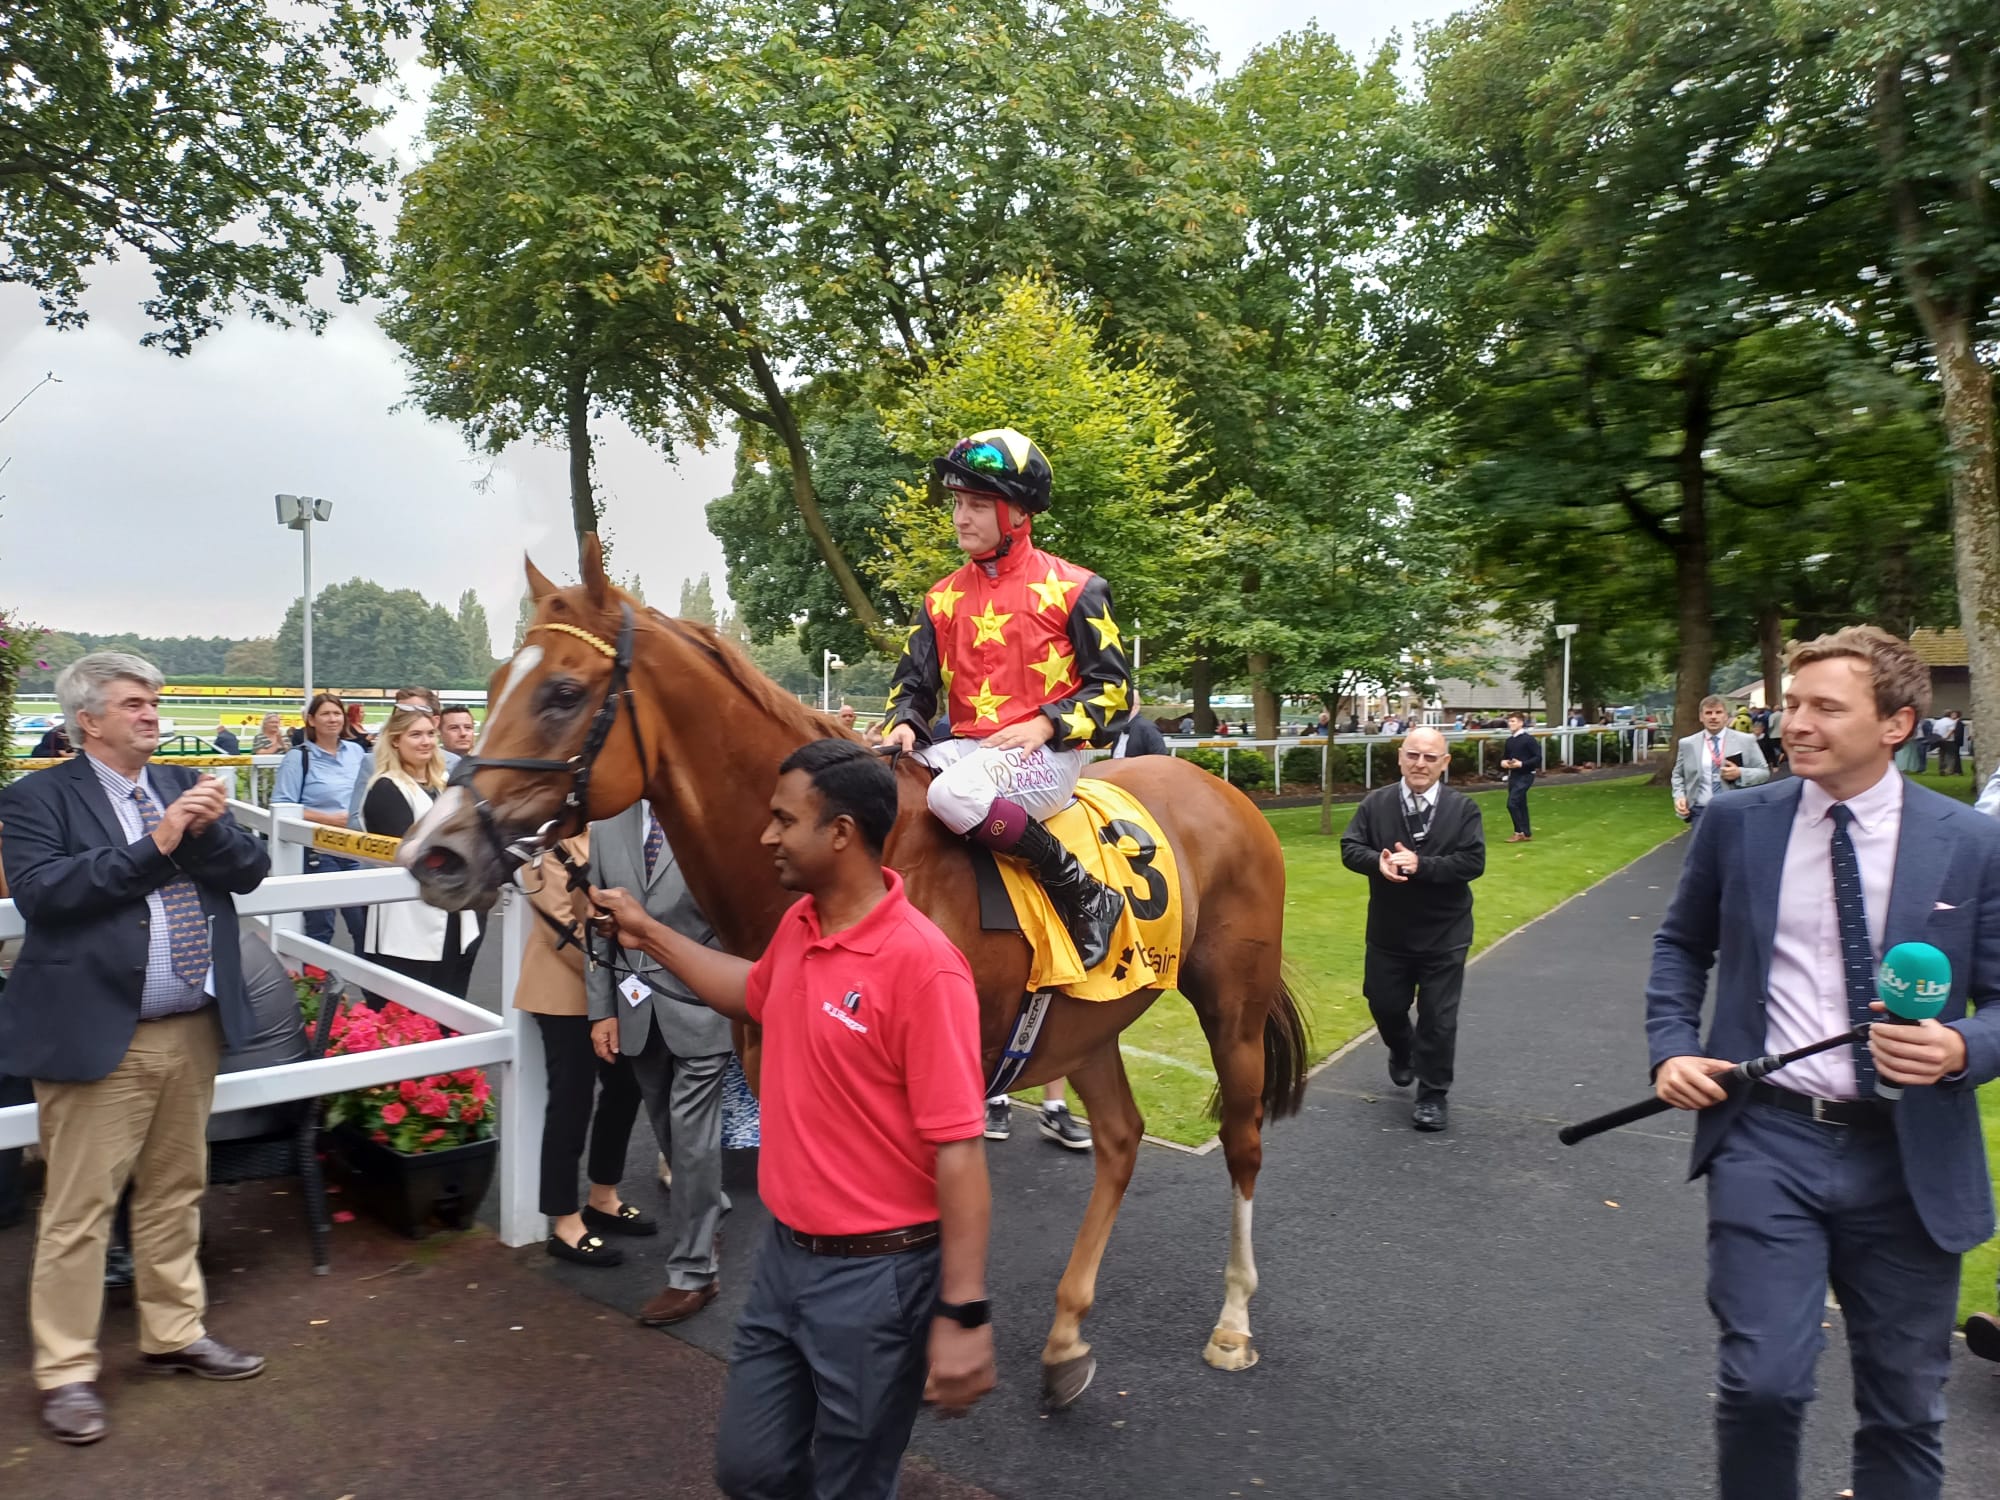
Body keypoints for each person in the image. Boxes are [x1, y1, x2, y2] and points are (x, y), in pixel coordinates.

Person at [1647, 625, 2000, 1500]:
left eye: (1823, 708)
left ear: (1896, 724)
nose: (1795, 724)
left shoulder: (1970, 841)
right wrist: (1674, 1048)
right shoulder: (1738, 825)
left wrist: (1961, 1046)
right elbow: (1679, 947)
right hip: (1768, 1141)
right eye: (1792, 705)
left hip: (1911, 1158)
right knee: (1762, 1384)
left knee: (1906, 1408)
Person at [590, 740, 995, 1498]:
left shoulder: (924, 967)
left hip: (881, 1280)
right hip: (785, 1259)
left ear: (840, 833)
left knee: (848, 1482)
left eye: (784, 820)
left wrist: (964, 1311)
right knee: (751, 1468)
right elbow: (756, 992)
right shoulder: (803, 923)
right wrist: (646, 932)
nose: (766, 836)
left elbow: (962, 1151)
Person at [0, 652, 271, 1446]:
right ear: (89, 720)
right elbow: (50, 894)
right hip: (96, 1032)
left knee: (176, 1189)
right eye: (133, 704)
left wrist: (204, 828)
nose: (153, 715)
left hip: (189, 1025)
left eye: (155, 703)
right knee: (79, 1210)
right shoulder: (36, 796)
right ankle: (66, 1371)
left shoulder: (183, 783)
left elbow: (250, 873)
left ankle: (174, 1332)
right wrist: (161, 839)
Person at [883, 428, 1133, 969]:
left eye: (977, 504)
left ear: (1018, 514)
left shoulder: (1077, 588)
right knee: (875, 786)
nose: (960, 517)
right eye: (956, 503)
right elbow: (913, 686)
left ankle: (1082, 891)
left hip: (1047, 756)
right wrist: (904, 721)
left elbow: (1113, 693)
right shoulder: (941, 597)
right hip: (969, 750)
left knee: (950, 797)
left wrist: (1045, 725)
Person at [587, 798, 733, 1324]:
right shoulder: (605, 827)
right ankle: (707, 1206)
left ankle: (694, 1273)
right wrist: (601, 1010)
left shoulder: (714, 818)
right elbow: (596, 924)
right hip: (635, 1010)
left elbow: (735, 920)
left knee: (691, 1142)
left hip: (702, 1007)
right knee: (672, 1135)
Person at [513, 832, 656, 1266]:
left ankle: (603, 1196)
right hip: (563, 992)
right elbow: (563, 928)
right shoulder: (544, 849)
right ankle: (565, 1221)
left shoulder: (616, 834)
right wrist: (626, 969)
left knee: (625, 1090)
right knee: (571, 1101)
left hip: (613, 987)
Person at [1339, 726, 1486, 1132]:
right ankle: (1402, 1050)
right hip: (1390, 931)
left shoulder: (1463, 809)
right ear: (1401, 757)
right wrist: (1378, 863)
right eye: (1413, 755)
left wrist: (1423, 865)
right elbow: (1350, 847)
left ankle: (1433, 1095)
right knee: (1384, 1005)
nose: (1420, 764)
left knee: (1438, 1017)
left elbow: (1473, 863)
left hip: (1445, 933)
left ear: (1444, 763)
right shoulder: (1377, 803)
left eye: (1429, 757)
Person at [359, 708, 478, 998]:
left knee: (450, 1003)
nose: (425, 741)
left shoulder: (444, 783)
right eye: (415, 735)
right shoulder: (386, 788)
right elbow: (412, 852)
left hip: (452, 913)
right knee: (409, 1008)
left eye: (429, 734)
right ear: (396, 740)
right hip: (406, 922)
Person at [270, 694, 369, 951]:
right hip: (317, 850)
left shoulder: (356, 752)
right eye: (325, 714)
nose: (332, 719)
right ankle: (315, 989)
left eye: (337, 713)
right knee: (320, 926)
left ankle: (372, 990)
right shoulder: (299, 757)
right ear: (311, 720)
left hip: (354, 848)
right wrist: (330, 819)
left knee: (363, 926)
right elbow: (282, 805)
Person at [1671, 694, 1771, 829]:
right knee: (1703, 850)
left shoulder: (1746, 740)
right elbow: (1678, 774)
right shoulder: (1688, 744)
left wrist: (1740, 773)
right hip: (1701, 811)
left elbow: (1764, 772)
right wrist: (1679, 797)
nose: (1713, 717)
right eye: (1708, 713)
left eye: (1718, 712)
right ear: (1701, 717)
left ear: (1726, 716)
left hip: (1735, 810)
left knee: (1733, 850)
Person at [1498, 712, 1542, 842]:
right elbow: (1505, 757)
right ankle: (1526, 833)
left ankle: (1519, 832)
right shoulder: (1509, 741)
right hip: (1514, 776)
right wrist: (1503, 763)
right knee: (1521, 804)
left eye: (1513, 721)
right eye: (1509, 721)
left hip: (1526, 775)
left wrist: (1522, 764)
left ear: (1521, 723)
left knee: (1512, 803)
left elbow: (1538, 758)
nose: (1510, 724)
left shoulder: (1529, 740)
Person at [1937, 709, 1964, 775]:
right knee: (1950, 756)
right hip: (1949, 741)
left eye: (1954, 714)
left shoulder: (1958, 722)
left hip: (1954, 741)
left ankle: (1955, 770)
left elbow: (1957, 732)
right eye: (1952, 714)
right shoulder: (1953, 722)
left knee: (1953, 756)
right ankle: (1952, 770)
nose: (1952, 715)